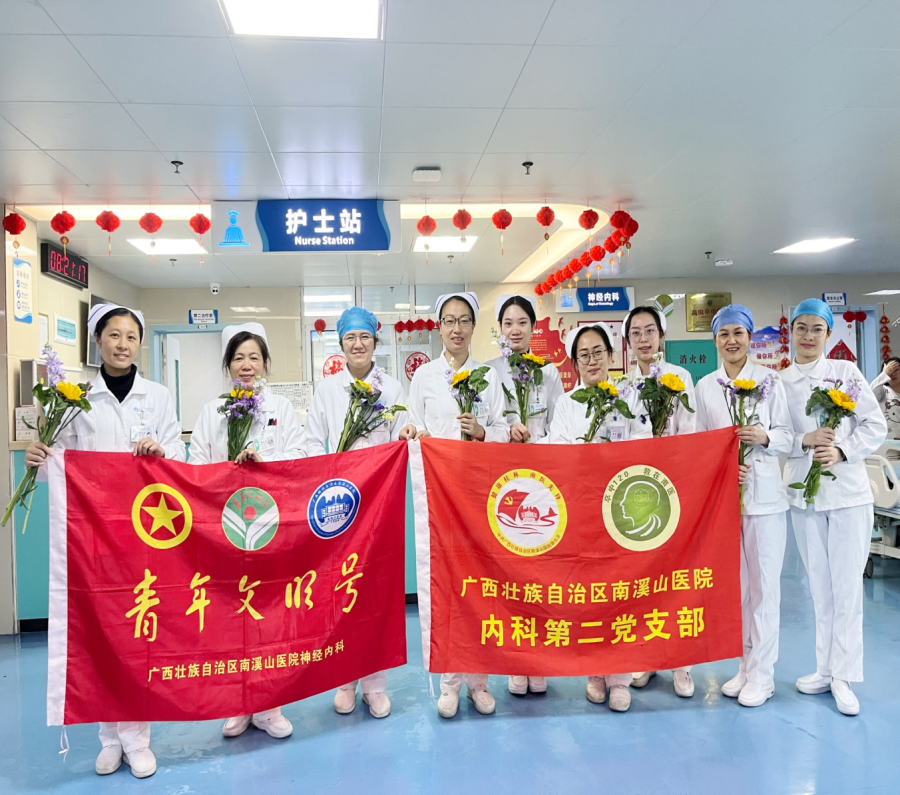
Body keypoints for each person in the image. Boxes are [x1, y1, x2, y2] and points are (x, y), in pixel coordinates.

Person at [26, 303, 185, 779]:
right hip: (92, 533)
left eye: (131, 337)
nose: (122, 344)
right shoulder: (73, 397)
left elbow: (179, 453)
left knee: (138, 628)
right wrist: (39, 459)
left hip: (142, 531)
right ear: (97, 341)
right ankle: (108, 737)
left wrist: (161, 451)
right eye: (113, 335)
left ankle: (136, 738)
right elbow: (60, 460)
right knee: (97, 630)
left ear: (139, 343)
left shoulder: (158, 396)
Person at [189, 322, 305, 738]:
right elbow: (196, 464)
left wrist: (264, 464)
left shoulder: (282, 409)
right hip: (225, 530)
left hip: (271, 528)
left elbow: (299, 456)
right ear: (228, 365)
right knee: (232, 617)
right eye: (238, 357)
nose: (246, 365)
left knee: (269, 616)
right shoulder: (213, 411)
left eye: (254, 357)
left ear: (265, 363)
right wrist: (226, 471)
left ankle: (269, 706)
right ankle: (238, 704)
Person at [302, 307, 417, 719]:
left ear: (375, 342)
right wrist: (329, 469)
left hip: (379, 503)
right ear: (340, 344)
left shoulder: (393, 387)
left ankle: (374, 685)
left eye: (364, 337)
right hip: (337, 504)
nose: (357, 344)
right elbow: (312, 440)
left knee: (375, 592)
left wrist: (406, 433)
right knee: (339, 590)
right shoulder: (327, 390)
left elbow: (403, 432)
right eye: (350, 338)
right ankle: (344, 681)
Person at [782, 298, 887, 716]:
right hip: (804, 499)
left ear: (828, 333)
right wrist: (803, 442)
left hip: (847, 497)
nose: (808, 336)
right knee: (820, 588)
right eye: (801, 328)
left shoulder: (845, 373)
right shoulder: (781, 382)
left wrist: (843, 450)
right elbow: (779, 437)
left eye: (816, 329)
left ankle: (844, 676)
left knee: (846, 588)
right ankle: (825, 669)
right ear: (791, 332)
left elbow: (875, 424)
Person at [407, 291, 510, 718]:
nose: (456, 328)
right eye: (449, 320)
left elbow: (503, 429)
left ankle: (479, 682)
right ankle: (449, 681)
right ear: (438, 327)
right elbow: (413, 429)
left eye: (464, 320)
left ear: (473, 326)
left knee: (482, 585)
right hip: (441, 497)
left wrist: (483, 433)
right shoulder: (424, 377)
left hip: (481, 496)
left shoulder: (488, 376)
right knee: (447, 585)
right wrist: (417, 435)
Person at [545, 322, 651, 712]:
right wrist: (584, 450)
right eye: (584, 355)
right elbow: (557, 451)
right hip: (582, 511)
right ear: (574, 364)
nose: (592, 361)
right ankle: (594, 672)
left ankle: (620, 677)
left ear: (611, 356)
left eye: (598, 353)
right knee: (589, 594)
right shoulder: (567, 404)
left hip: (622, 510)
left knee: (621, 592)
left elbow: (644, 442)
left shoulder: (629, 397)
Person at [694, 304, 793, 708]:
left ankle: (763, 675)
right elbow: (701, 443)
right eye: (724, 334)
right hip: (726, 501)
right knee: (738, 591)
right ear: (715, 340)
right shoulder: (706, 386)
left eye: (738, 333)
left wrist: (765, 437)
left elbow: (788, 435)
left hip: (765, 501)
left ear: (750, 338)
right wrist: (720, 468)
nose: (731, 341)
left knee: (764, 589)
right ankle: (745, 665)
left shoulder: (770, 381)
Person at [483, 294, 565, 697]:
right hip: (501, 484)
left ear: (533, 328)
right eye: (508, 323)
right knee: (508, 575)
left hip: (542, 484)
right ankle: (517, 662)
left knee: (541, 575)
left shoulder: (548, 373)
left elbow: (558, 425)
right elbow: (484, 426)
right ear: (499, 329)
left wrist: (536, 442)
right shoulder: (487, 372)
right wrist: (505, 436)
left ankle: (539, 662)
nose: (515, 330)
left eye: (522, 323)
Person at [623, 305, 698, 698]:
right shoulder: (623, 387)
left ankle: (681, 664)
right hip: (637, 495)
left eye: (650, 330)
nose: (643, 339)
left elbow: (690, 433)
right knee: (642, 579)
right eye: (635, 333)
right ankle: (645, 657)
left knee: (675, 576)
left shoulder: (678, 378)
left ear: (662, 336)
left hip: (673, 489)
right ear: (627, 341)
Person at [870, 356, 900, 463]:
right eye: (890, 370)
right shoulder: (882, 390)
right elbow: (868, 396)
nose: (893, 373)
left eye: (896, 369)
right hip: (886, 448)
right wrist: (884, 375)